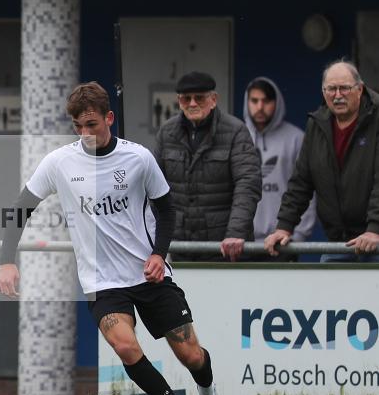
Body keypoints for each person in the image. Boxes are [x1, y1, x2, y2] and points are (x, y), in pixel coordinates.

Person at [0, 81, 229, 395]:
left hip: (148, 274)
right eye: (78, 126)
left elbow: (167, 209)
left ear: (109, 118)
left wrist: (158, 253)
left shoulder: (138, 158)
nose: (85, 133)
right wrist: (7, 261)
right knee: (125, 345)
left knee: (191, 354)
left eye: (92, 124)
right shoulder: (59, 162)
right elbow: (20, 208)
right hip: (102, 282)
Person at [265, 60, 379, 261]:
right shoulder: (316, 125)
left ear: (359, 89)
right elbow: (301, 182)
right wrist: (284, 227)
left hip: (375, 242)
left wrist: (374, 229)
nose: (337, 95)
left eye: (344, 88)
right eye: (331, 89)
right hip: (338, 242)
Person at [153, 71, 261, 261]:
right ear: (179, 101)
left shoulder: (236, 131)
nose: (193, 103)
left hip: (225, 249)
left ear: (213, 99)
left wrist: (235, 232)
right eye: (186, 98)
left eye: (199, 98)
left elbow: (248, 184)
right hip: (180, 247)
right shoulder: (166, 133)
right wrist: (156, 238)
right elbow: (153, 187)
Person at [243, 77, 317, 254]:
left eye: (266, 101)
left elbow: (307, 189)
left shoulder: (296, 138)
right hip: (241, 243)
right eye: (254, 101)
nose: (260, 107)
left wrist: (297, 235)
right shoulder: (237, 137)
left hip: (282, 241)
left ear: (277, 103)